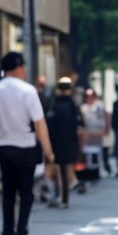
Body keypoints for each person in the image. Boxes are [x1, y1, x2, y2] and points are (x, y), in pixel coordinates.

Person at [0, 51, 54, 235]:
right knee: (26, 194)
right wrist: (48, 151)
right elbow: (39, 122)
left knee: (8, 194)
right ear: (18, 68)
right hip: (25, 146)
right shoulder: (28, 91)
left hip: (5, 144)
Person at [46, 77, 84, 207]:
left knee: (57, 170)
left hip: (56, 141)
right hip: (70, 141)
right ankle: (64, 199)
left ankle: (57, 197)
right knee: (66, 170)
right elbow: (80, 123)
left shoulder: (54, 105)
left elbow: (50, 124)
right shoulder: (73, 105)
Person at [80, 88, 108, 181]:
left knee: (98, 152)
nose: (89, 98)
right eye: (87, 96)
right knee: (87, 153)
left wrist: (102, 131)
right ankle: (89, 171)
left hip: (97, 132)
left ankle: (99, 170)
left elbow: (102, 119)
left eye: (91, 96)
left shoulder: (98, 107)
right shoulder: (83, 108)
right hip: (87, 133)